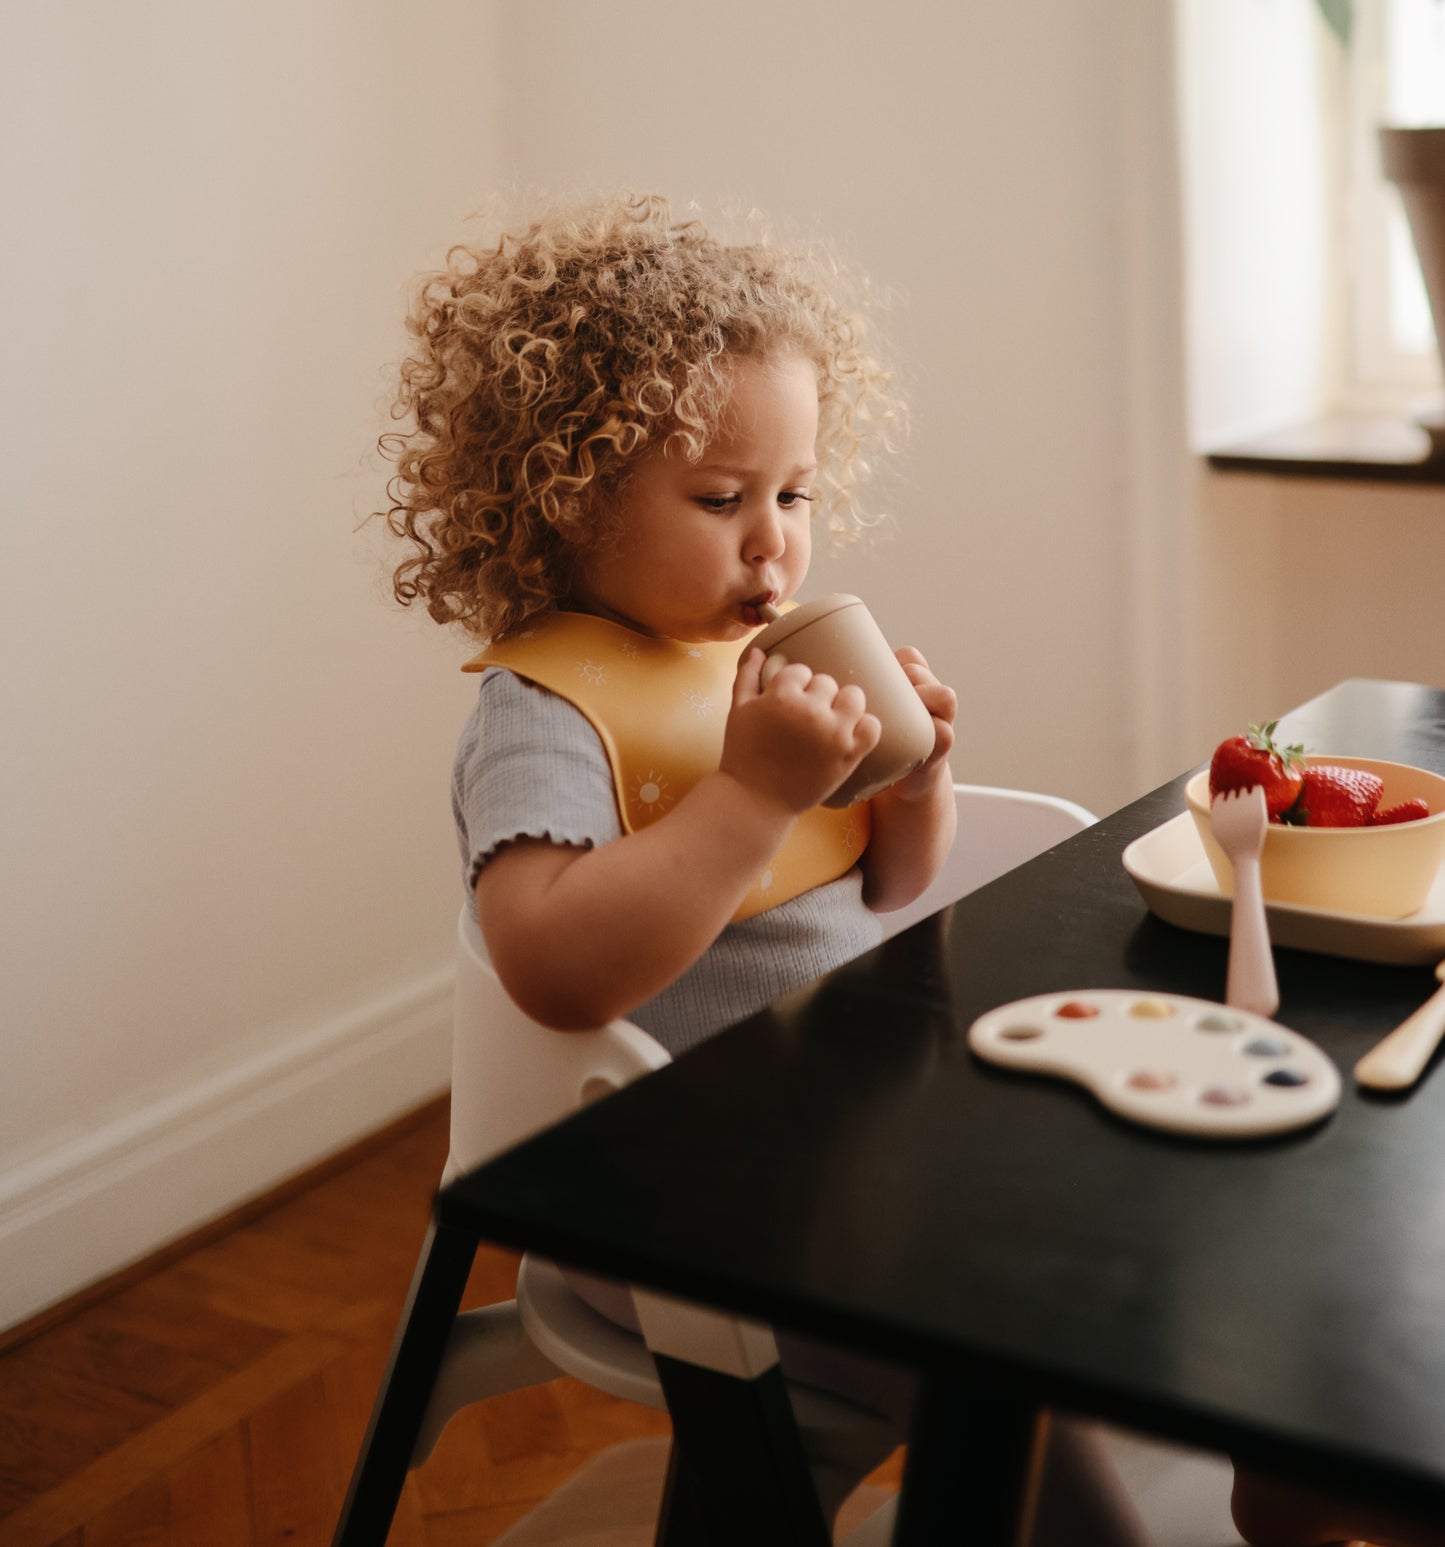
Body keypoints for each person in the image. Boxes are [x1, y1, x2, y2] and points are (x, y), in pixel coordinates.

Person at [379, 190, 1152, 1545]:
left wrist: (916, 781)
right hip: (666, 1205)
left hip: (833, 1148)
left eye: (794, 494)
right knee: (1001, 1371)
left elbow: (886, 890)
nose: (773, 539)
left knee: (1073, 1255)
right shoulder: (544, 714)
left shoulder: (754, 664)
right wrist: (750, 793)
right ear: (565, 502)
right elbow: (554, 972)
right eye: (719, 498)